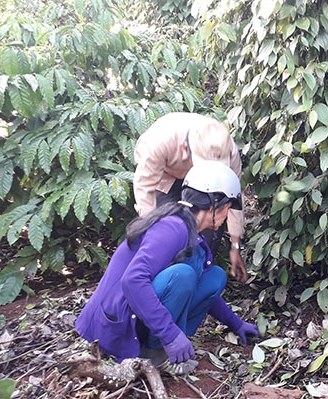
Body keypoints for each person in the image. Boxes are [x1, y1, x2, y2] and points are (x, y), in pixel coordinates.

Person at [76, 161, 259, 374]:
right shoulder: (172, 228)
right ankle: (153, 353)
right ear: (214, 204)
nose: (227, 216)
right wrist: (170, 334)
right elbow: (133, 280)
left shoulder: (192, 233)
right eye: (227, 208)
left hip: (134, 315)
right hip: (115, 327)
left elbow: (206, 286)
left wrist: (236, 324)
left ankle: (156, 346)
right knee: (182, 276)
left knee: (214, 276)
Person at [133, 112, 248, 282]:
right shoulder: (160, 141)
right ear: (186, 149)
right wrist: (153, 233)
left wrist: (235, 245)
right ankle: (163, 282)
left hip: (204, 184)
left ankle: (198, 276)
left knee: (210, 223)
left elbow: (233, 199)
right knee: (169, 230)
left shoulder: (228, 148)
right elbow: (145, 188)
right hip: (166, 177)